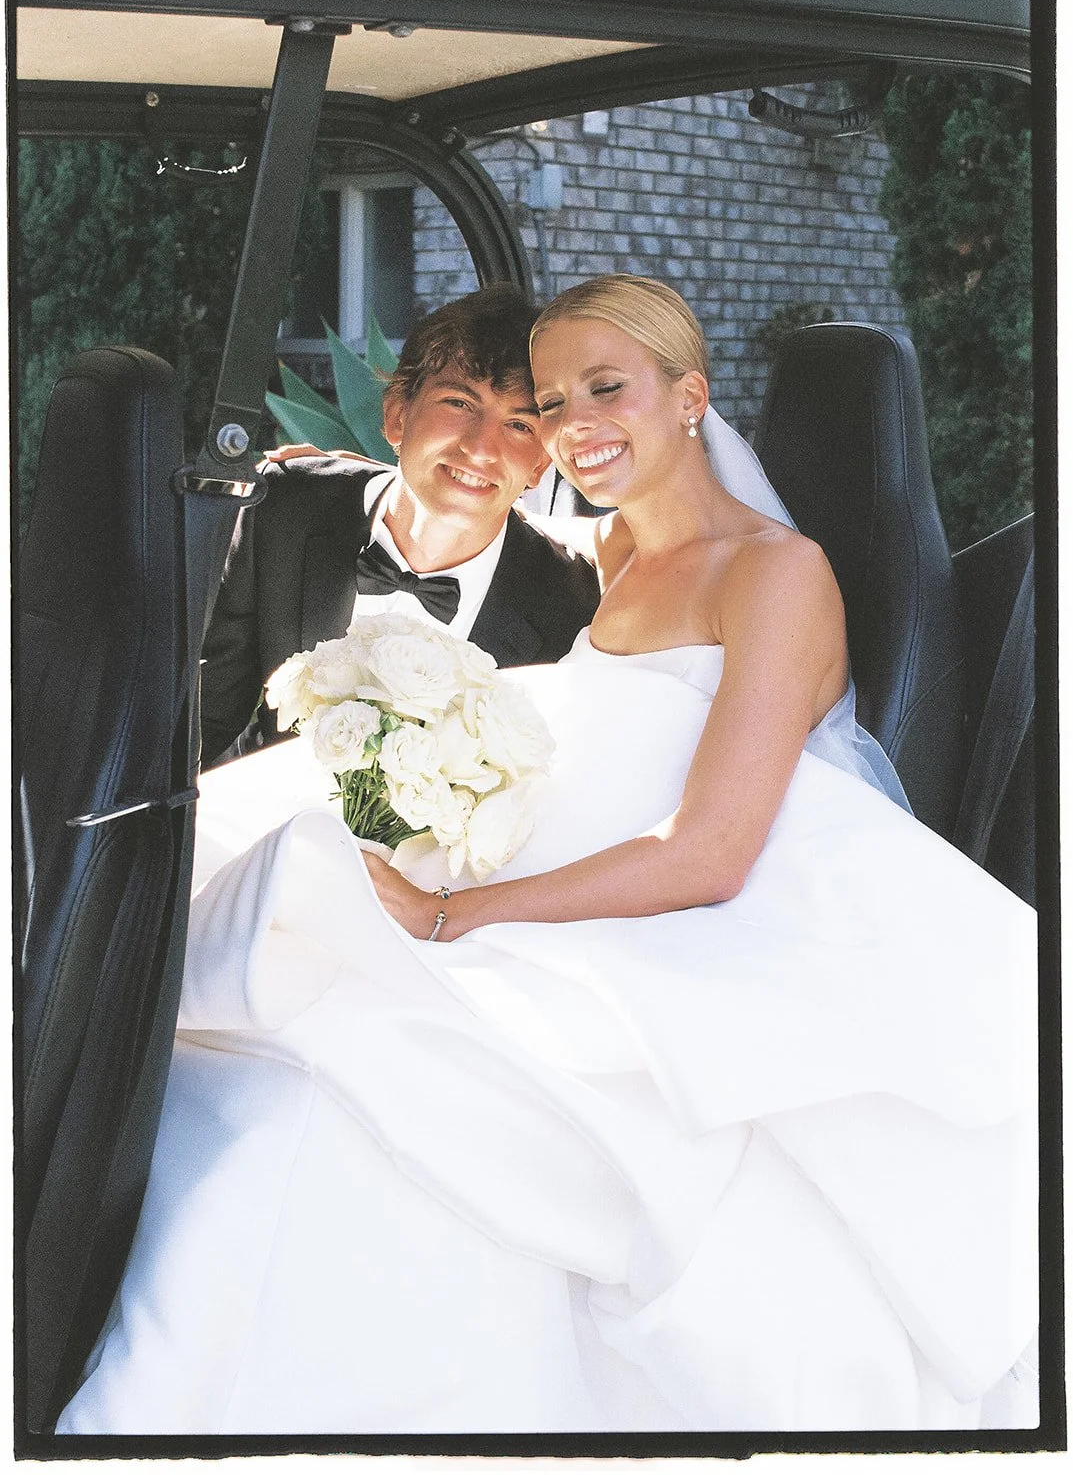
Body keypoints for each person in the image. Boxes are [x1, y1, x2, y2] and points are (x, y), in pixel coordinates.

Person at [58, 277, 1037, 1436]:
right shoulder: (616, 544)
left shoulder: (776, 573)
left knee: (324, 1091)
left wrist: (462, 917)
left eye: (602, 390)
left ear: (689, 398)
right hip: (569, 880)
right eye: (558, 400)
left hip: (684, 915)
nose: (573, 427)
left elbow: (711, 852)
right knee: (241, 905)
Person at [199, 282, 600, 767]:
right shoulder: (283, 510)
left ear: (540, 465)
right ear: (396, 417)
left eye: (519, 426)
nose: (480, 448)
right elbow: (201, 726)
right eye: (460, 403)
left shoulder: (571, 600)